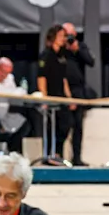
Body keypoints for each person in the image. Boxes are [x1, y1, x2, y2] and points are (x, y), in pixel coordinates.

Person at [61, 22, 97, 166]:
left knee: (78, 127)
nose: (68, 37)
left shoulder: (80, 46)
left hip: (78, 90)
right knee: (63, 125)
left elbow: (91, 61)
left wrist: (77, 50)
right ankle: (58, 157)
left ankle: (76, 158)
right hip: (62, 90)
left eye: (71, 34)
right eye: (66, 34)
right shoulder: (59, 48)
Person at [36, 25, 73, 161]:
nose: (64, 39)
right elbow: (41, 77)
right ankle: (50, 155)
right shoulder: (46, 55)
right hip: (50, 96)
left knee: (66, 124)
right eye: (61, 36)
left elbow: (64, 79)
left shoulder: (62, 56)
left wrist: (69, 98)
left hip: (61, 96)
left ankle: (57, 153)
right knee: (51, 127)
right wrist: (44, 98)